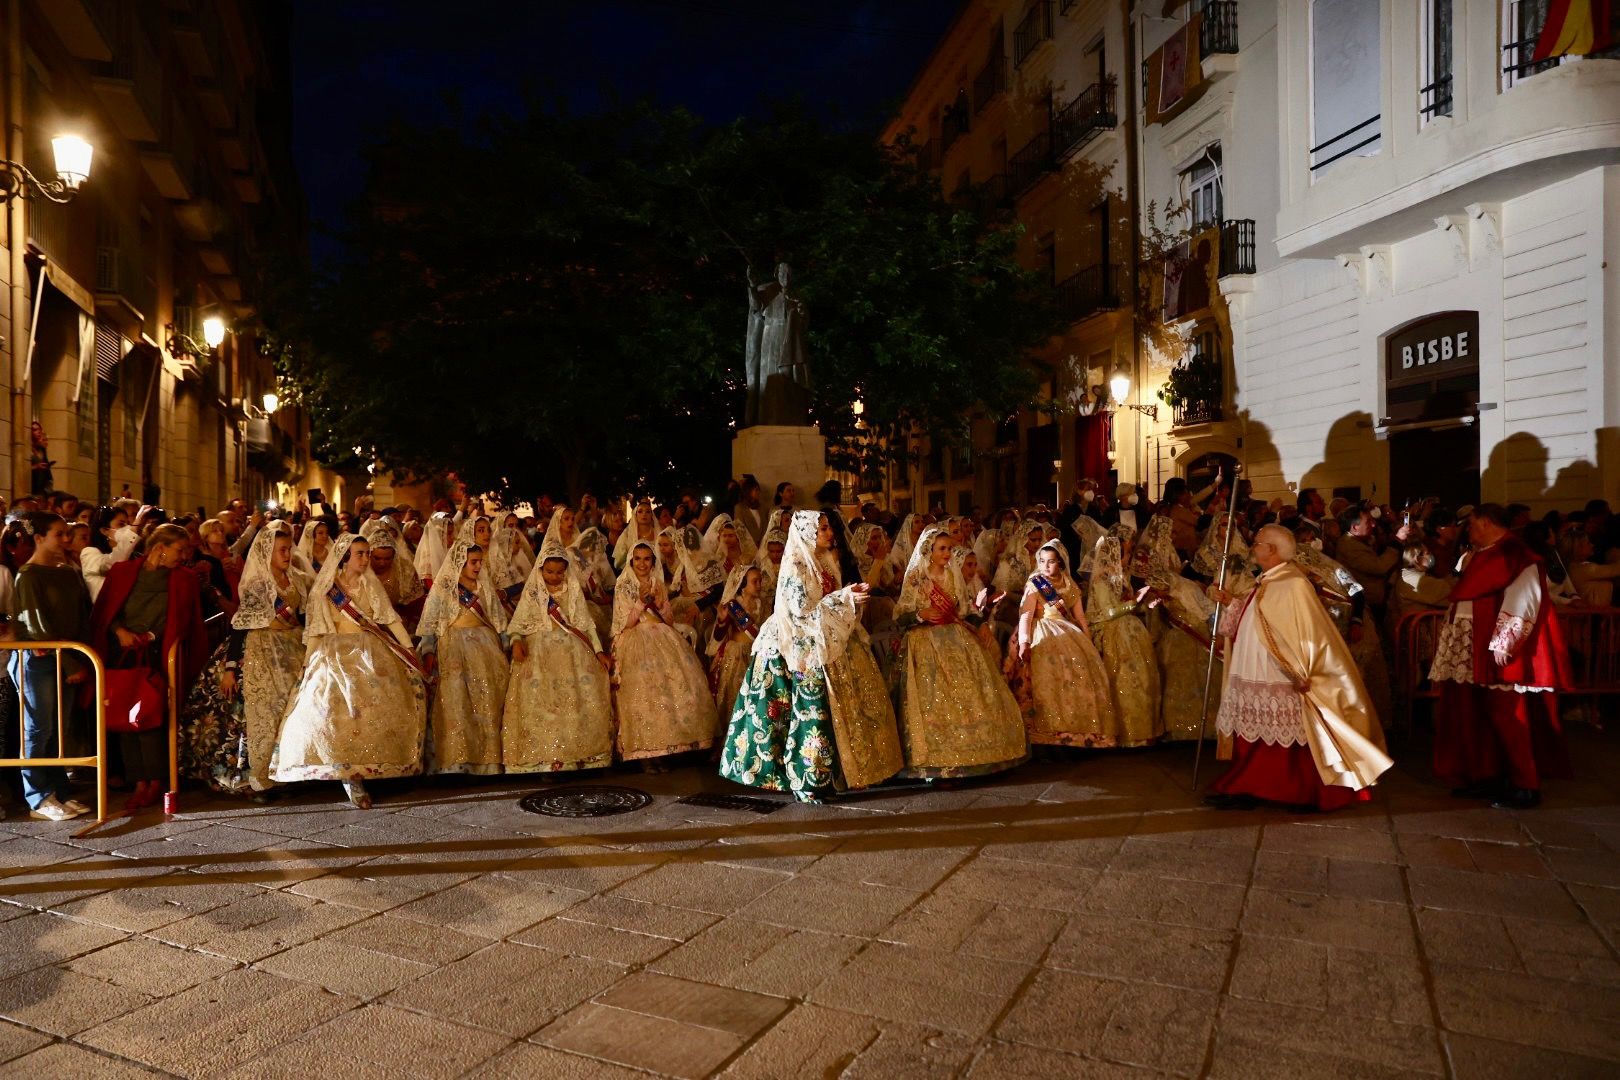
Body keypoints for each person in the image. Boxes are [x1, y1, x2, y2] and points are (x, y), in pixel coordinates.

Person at [1206, 525, 1393, 811]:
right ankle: (1248, 784)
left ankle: (1290, 789)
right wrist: (1231, 602)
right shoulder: (1267, 580)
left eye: (1258, 543)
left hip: (1278, 671)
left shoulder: (1293, 583)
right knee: (1254, 726)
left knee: (1282, 731)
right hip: (1254, 666)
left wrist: (1302, 669)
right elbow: (1257, 613)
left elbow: (1308, 633)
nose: (1253, 547)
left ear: (1272, 550)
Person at [720, 510, 903, 801]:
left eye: (829, 527)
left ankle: (843, 772)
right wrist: (845, 597)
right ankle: (806, 778)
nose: (830, 533)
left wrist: (849, 597)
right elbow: (800, 613)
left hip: (827, 640)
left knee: (838, 711)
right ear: (807, 533)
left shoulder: (826, 560)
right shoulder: (795, 564)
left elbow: (827, 604)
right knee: (806, 710)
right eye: (823, 529)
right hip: (797, 645)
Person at [1430, 504, 1572, 809]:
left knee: (1510, 716)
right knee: (1480, 716)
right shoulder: (1485, 553)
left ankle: (1526, 784)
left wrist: (1505, 643)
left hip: (1500, 650)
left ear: (1485, 522)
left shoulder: (1516, 553)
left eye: (1470, 524)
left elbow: (1525, 598)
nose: (1467, 530)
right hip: (1475, 646)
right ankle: (1487, 776)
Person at [271, 534, 429, 808]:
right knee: (331, 713)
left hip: (369, 650)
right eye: (360, 554)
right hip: (334, 653)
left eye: (367, 553)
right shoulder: (327, 588)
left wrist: (407, 648)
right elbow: (318, 629)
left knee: (374, 710)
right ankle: (349, 778)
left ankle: (371, 766)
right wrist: (309, 664)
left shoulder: (371, 584)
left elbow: (389, 617)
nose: (366, 559)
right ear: (345, 557)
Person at [180, 521, 308, 797]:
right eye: (281, 550)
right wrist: (230, 667)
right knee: (262, 709)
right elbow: (241, 625)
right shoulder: (257, 584)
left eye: (288, 549)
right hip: (260, 646)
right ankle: (255, 774)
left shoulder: (297, 578)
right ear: (266, 553)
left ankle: (289, 768)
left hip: (292, 645)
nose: (287, 555)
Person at [893, 525, 1027, 779]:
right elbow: (900, 615)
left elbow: (964, 610)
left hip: (956, 637)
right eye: (942, 549)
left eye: (950, 549)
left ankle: (977, 751)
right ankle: (936, 758)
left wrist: (980, 625)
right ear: (929, 551)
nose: (947, 554)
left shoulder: (953, 576)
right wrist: (920, 614)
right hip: (925, 643)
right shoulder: (916, 579)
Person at [91, 523, 209, 812]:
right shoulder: (122, 572)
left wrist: (151, 636)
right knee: (124, 718)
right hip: (123, 655)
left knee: (153, 719)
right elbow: (107, 610)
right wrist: (119, 631)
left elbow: (183, 620)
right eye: (179, 550)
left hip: (157, 655)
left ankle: (156, 779)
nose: (183, 556)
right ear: (160, 549)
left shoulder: (183, 578)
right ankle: (137, 780)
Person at [502, 535, 614, 775]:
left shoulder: (572, 589)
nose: (553, 577)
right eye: (549, 572)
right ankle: (545, 759)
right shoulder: (533, 592)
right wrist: (516, 642)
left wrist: (599, 651)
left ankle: (577, 755)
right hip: (539, 652)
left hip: (573, 651)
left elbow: (586, 624)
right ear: (541, 569)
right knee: (544, 705)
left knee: (575, 702)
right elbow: (517, 625)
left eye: (558, 572)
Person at [9, 513, 93, 820]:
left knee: (59, 729)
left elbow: (81, 616)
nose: (66, 540)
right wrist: (72, 661)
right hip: (39, 660)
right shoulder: (29, 575)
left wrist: (81, 656)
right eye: (60, 534)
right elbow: (36, 625)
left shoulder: (68, 571)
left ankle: (59, 790)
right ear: (40, 537)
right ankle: (38, 796)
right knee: (38, 728)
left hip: (66, 656)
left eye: (67, 534)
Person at [610, 540, 715, 766]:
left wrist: (661, 604)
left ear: (653, 561)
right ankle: (645, 754)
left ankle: (667, 747)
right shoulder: (623, 584)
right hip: (635, 638)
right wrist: (640, 602)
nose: (642, 563)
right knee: (645, 692)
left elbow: (668, 621)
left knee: (674, 686)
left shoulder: (658, 582)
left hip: (662, 636)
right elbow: (624, 624)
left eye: (647, 558)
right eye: (637, 558)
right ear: (630, 560)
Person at [1010, 540, 1119, 747]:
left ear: (1060, 562)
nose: (1045, 567)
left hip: (1069, 632)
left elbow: (1079, 617)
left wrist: (1088, 641)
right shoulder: (1035, 583)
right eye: (1041, 562)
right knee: (1049, 678)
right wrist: (1024, 641)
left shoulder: (1069, 584)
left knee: (1079, 675)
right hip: (1043, 632)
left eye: (1050, 562)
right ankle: (1047, 735)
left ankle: (1076, 732)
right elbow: (1026, 615)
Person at [418, 538, 509, 776]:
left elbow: (499, 620)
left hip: (485, 646)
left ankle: (488, 761)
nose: (478, 567)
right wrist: (428, 649)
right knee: (455, 701)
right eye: (473, 562)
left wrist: (508, 643)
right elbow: (431, 622)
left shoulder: (484, 587)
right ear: (460, 562)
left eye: (480, 562)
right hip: (453, 646)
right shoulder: (445, 587)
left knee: (488, 697)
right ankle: (456, 761)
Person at [1087, 527, 1163, 746]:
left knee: (1143, 677)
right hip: (1112, 631)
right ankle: (1125, 731)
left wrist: (1146, 604)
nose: (1128, 557)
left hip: (1129, 629)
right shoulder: (1102, 579)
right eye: (1126, 553)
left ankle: (1142, 732)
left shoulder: (1120, 577)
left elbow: (1126, 606)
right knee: (1126, 677)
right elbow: (1109, 612)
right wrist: (1134, 602)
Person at [707, 564, 764, 736]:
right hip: (735, 655)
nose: (760, 585)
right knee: (732, 697)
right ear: (742, 584)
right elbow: (718, 636)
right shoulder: (733, 606)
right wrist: (722, 620)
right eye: (755, 581)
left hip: (755, 653)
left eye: (761, 580)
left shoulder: (762, 603)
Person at [80, 506, 139, 603]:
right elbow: (114, 564)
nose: (128, 528)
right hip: (107, 611)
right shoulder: (89, 552)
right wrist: (132, 535)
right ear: (104, 530)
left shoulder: (132, 554)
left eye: (128, 524)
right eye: (121, 524)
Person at [412, 511, 453, 591]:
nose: (453, 537)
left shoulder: (447, 552)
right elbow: (435, 591)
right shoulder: (427, 562)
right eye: (449, 533)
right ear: (438, 534)